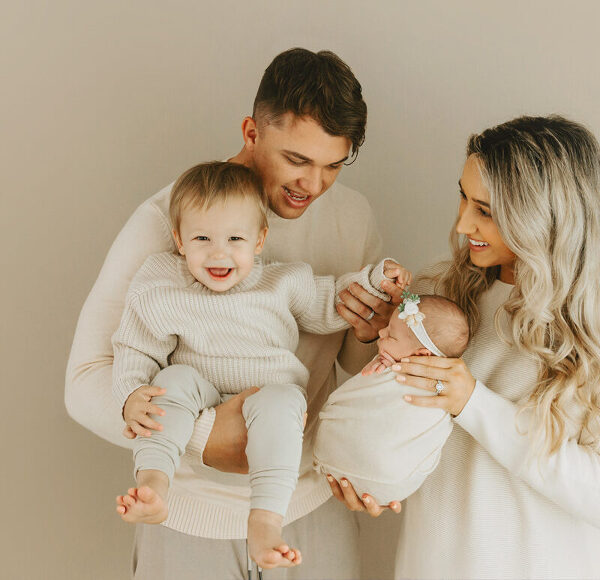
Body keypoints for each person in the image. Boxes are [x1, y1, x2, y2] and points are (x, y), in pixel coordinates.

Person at [66, 48, 400, 580]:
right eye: (296, 160)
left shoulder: (352, 217)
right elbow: (83, 382)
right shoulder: (166, 221)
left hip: (309, 511)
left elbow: (355, 367)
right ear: (251, 131)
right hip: (189, 520)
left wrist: (365, 333)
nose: (312, 185)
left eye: (332, 165)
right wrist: (202, 437)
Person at [329, 115, 600, 579]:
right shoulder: (436, 295)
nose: (462, 221)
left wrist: (472, 403)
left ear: (543, 216)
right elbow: (375, 408)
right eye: (464, 197)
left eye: (485, 210)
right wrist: (365, 343)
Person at [112, 161, 409, 569]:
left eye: (235, 238)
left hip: (269, 393)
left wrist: (376, 282)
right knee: (169, 382)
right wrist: (130, 394)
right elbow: (134, 345)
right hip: (200, 392)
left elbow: (335, 301)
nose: (219, 253)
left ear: (259, 240)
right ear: (179, 240)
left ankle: (265, 519)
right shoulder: (163, 284)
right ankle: (153, 483)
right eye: (202, 238)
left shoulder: (283, 282)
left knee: (285, 402)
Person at [313, 293, 469, 504]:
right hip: (391, 483)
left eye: (391, 335)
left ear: (422, 356)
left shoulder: (441, 390)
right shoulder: (395, 355)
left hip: (369, 464)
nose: (381, 332)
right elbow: (366, 393)